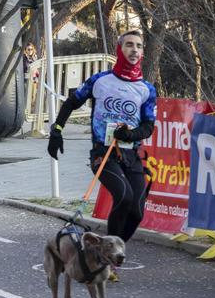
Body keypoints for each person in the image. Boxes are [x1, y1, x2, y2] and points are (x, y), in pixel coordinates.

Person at [47, 29, 156, 251]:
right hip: (103, 154)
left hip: (131, 154)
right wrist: (57, 131)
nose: (134, 49)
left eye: (138, 46)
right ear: (119, 49)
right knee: (123, 197)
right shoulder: (101, 80)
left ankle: (112, 252)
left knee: (136, 211)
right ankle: (108, 256)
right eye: (129, 45)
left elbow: (148, 127)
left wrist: (130, 134)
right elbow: (71, 103)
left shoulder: (147, 89)